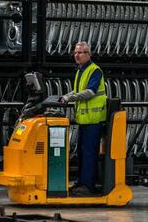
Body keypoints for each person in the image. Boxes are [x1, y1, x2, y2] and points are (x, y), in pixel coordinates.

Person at [60, 41, 107, 196]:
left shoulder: (95, 70)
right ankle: (81, 183)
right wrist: (65, 96)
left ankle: (88, 186)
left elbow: (90, 92)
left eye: (81, 52)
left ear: (89, 54)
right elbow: (77, 90)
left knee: (89, 154)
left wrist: (70, 99)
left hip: (93, 120)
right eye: (75, 52)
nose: (77, 55)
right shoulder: (81, 70)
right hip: (84, 121)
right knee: (81, 152)